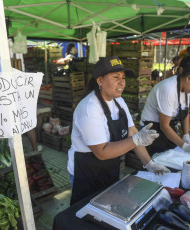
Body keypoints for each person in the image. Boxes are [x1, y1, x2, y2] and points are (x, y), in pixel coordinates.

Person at [67, 56, 170, 205]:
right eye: (115, 77)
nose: (122, 82)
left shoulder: (119, 102)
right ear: (100, 81)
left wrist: (149, 164)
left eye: (123, 77)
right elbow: (102, 152)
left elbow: (133, 132)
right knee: (87, 216)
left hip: (110, 169)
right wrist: (136, 140)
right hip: (87, 175)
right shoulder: (90, 108)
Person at [140, 57, 190, 156]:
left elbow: (185, 112)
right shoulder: (168, 89)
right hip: (153, 132)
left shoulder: (186, 90)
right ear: (188, 78)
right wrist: (183, 146)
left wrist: (186, 134)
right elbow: (164, 126)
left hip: (168, 130)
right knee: (158, 162)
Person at [0, 56, 42, 152]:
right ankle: (17, 151)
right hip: (3, 103)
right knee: (15, 127)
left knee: (26, 125)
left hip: (14, 102)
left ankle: (32, 149)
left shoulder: (11, 71)